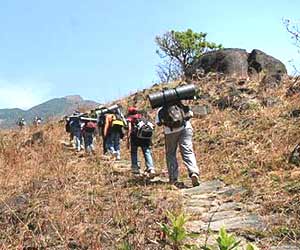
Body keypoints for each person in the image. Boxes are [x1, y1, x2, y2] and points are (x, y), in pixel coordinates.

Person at [156, 101, 200, 187]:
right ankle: (193, 172)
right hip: (185, 128)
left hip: (170, 132)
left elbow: (158, 123)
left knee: (171, 154)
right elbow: (190, 114)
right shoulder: (180, 104)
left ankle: (173, 178)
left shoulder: (160, 110)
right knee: (188, 151)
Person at [127, 106, 155, 177]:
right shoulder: (141, 117)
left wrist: (128, 139)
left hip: (135, 138)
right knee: (146, 152)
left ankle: (135, 167)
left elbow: (130, 129)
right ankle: (151, 168)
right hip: (145, 138)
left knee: (134, 152)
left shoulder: (130, 118)